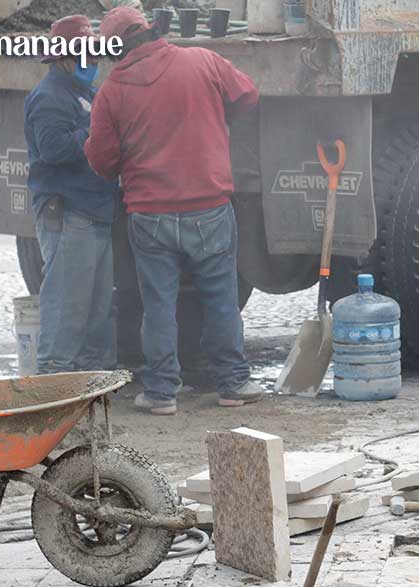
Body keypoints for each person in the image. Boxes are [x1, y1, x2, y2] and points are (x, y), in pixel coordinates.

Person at [86, 7, 262, 415]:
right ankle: (233, 383)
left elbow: (101, 159)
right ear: (150, 31)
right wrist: (216, 119)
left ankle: (162, 392)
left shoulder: (112, 90)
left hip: (150, 213)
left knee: (158, 304)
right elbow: (247, 94)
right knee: (221, 298)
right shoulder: (201, 60)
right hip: (209, 206)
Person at [24, 15, 119, 374]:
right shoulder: (49, 97)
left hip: (94, 211)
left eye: (94, 54)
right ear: (62, 57)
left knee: (96, 308)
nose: (91, 62)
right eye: (83, 54)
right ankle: (54, 381)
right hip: (68, 213)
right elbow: (52, 149)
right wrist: (96, 131)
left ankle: (93, 384)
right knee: (68, 306)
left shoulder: (85, 93)